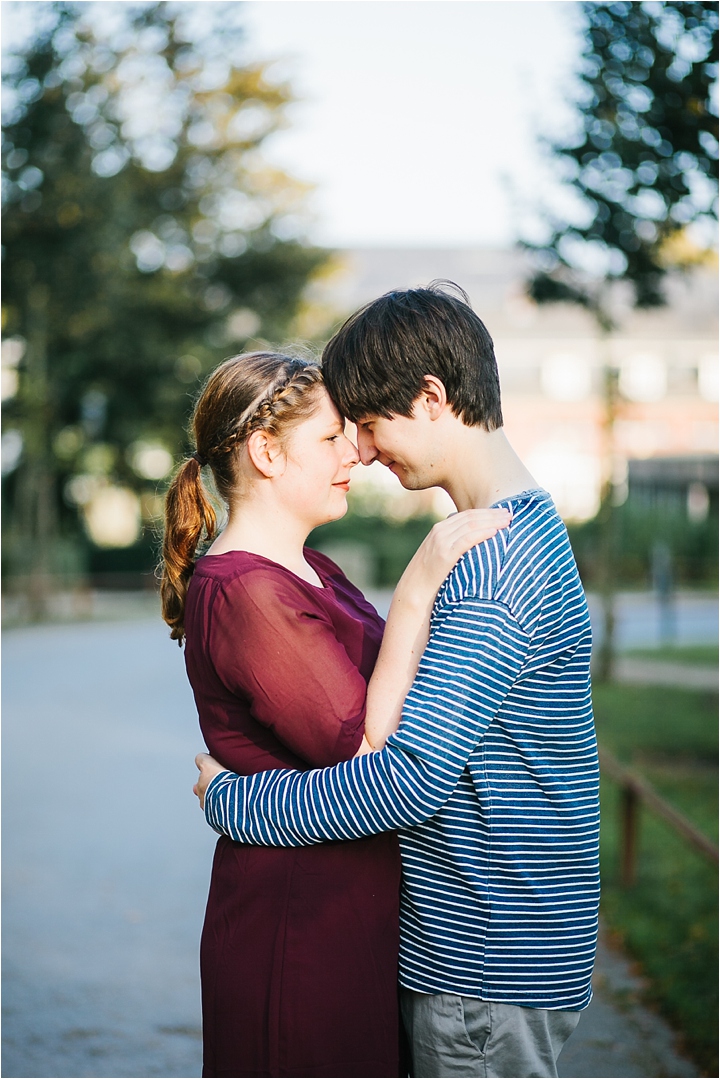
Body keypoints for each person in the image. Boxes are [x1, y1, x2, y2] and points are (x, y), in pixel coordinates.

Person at [194, 285, 601, 1079]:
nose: (367, 452)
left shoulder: (494, 566)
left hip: (487, 966)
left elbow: (407, 780)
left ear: (432, 398)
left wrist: (237, 801)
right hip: (501, 948)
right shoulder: (520, 530)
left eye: (371, 424)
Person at [161, 349, 509, 1079]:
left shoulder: (310, 566)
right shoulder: (245, 593)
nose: (355, 451)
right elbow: (365, 749)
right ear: (265, 452)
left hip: (354, 908)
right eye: (329, 438)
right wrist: (418, 585)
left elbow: (403, 694)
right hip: (296, 922)